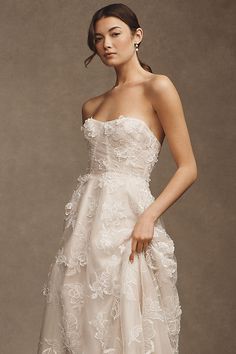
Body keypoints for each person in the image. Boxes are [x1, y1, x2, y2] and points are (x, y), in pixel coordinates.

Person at [37, 3, 197, 354]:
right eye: (98, 38)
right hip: (86, 225)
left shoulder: (159, 87)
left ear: (137, 36)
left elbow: (188, 167)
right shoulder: (91, 106)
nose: (106, 44)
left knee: (127, 317)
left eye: (115, 34)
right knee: (80, 312)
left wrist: (149, 216)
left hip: (131, 222)